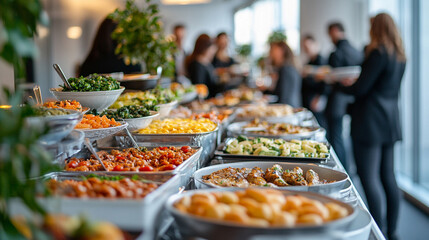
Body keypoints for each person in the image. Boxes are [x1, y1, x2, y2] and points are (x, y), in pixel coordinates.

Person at [338, 13, 406, 240]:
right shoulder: (399, 55)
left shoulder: (377, 53)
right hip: (390, 120)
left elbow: (360, 90)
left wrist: (341, 84)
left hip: (369, 121)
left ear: (376, 28)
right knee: (388, 176)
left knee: (368, 177)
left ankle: (376, 230)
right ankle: (392, 231)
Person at [325, 22, 363, 170]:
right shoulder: (356, 51)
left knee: (336, 138)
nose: (330, 38)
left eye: (330, 34)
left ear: (335, 31)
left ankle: (339, 170)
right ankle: (347, 169)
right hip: (353, 101)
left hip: (337, 101)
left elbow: (331, 78)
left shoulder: (336, 53)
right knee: (343, 137)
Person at [301, 35, 328, 129]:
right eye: (305, 47)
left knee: (319, 125)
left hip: (316, 99)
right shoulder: (308, 62)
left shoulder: (321, 61)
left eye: (308, 46)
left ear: (316, 45)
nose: (307, 49)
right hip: (308, 99)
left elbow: (326, 82)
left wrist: (319, 97)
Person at [268, 41, 302, 108]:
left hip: (287, 109)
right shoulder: (291, 67)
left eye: (274, 50)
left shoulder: (285, 69)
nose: (271, 53)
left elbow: (283, 95)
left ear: (282, 51)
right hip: (294, 106)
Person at [185, 34, 219, 98]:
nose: (213, 51)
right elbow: (200, 88)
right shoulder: (196, 65)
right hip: (206, 100)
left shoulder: (205, 62)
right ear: (205, 48)